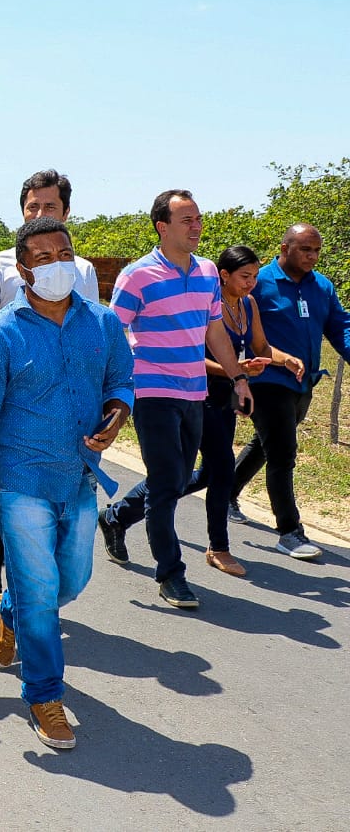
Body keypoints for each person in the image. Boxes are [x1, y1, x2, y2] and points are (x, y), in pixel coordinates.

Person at [0, 217, 134, 750]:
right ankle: (44, 697)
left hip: (78, 478)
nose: (58, 264)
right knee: (41, 596)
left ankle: (7, 610)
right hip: (20, 482)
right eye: (44, 257)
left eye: (65, 253)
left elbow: (121, 381)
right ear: (24, 270)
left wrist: (116, 415)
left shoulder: (101, 324)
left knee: (70, 584)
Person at [99, 247, 304, 577]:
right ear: (224, 275)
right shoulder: (203, 296)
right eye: (244, 276)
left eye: (254, 276)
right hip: (196, 392)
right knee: (221, 468)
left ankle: (119, 515)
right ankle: (216, 548)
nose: (251, 283)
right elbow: (195, 350)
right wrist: (234, 370)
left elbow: (261, 347)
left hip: (225, 395)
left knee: (191, 475)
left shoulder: (247, 304)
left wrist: (282, 359)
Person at [98, 190, 254, 610]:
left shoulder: (206, 272)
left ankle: (115, 517)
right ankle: (171, 574)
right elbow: (112, 333)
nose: (197, 227)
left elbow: (214, 332)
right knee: (167, 484)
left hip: (195, 392)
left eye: (198, 219)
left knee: (177, 477)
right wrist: (114, 392)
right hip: (152, 392)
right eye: (187, 220)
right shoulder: (137, 276)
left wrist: (238, 378)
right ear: (162, 227)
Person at [0, 170, 100, 607]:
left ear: (66, 212)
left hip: (58, 410)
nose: (40, 213)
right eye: (32, 207)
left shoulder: (82, 270)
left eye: (50, 207)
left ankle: (23, 600)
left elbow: (90, 337)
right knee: (0, 493)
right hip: (3, 397)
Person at [229, 224, 350, 560]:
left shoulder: (321, 286)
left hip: (304, 382)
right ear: (284, 248)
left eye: (316, 251)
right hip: (268, 381)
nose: (312, 257)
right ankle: (289, 532)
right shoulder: (259, 283)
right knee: (283, 453)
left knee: (265, 445)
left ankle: (226, 491)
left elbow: (340, 326)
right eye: (304, 250)